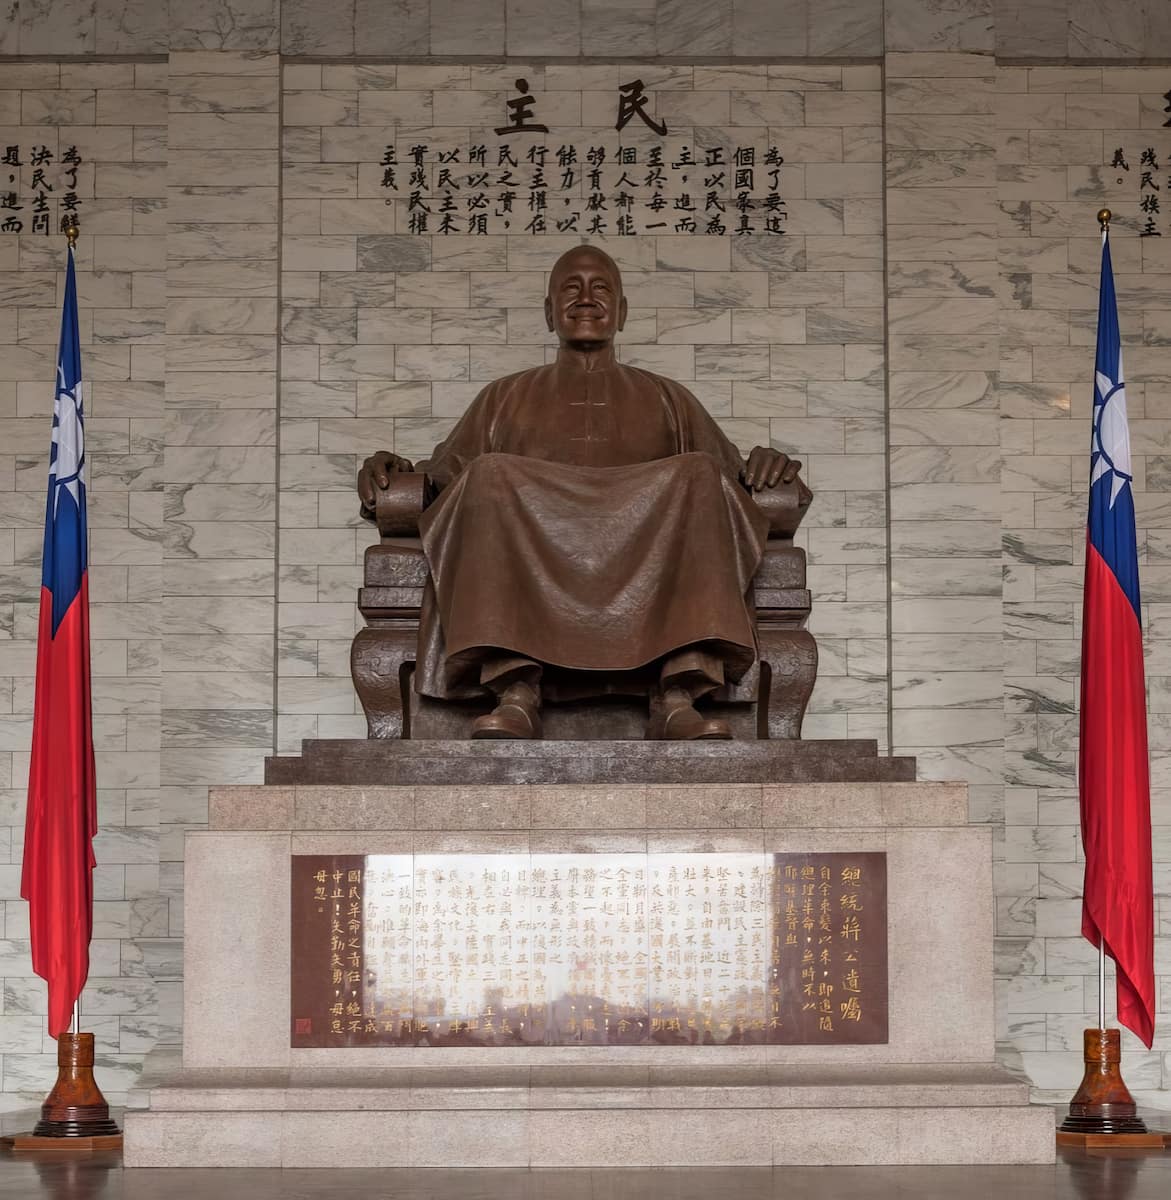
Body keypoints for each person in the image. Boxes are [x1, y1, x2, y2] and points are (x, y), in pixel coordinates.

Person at [358, 245, 810, 741]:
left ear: (623, 311)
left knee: (699, 473)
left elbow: (734, 480)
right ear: (548, 312)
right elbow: (444, 479)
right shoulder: (502, 397)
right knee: (487, 474)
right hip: (530, 545)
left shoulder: (670, 398)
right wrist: (394, 473)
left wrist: (768, 469)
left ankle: (677, 693)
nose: (587, 299)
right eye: (571, 289)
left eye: (601, 289)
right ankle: (516, 690)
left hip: (650, 549)